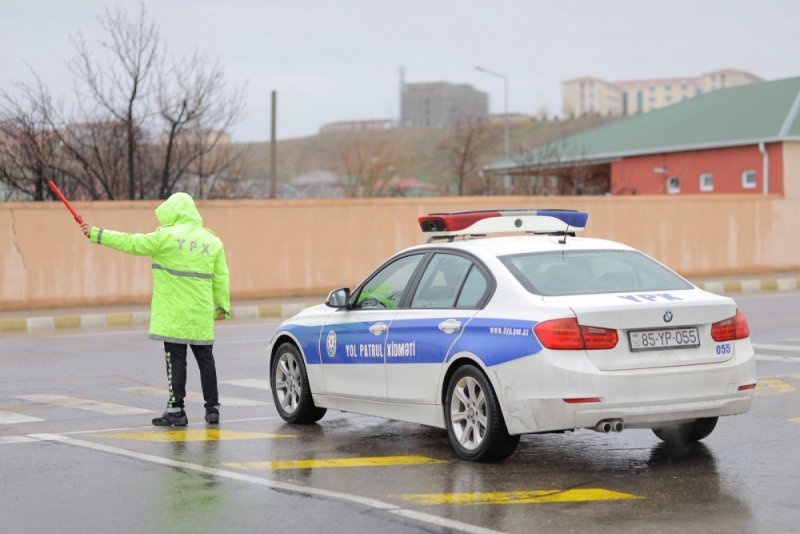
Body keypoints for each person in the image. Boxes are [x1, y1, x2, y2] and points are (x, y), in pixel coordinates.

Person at [80, 192, 230, 427]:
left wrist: (98, 234)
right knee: (206, 361)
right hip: (199, 314)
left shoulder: (166, 237)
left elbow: (132, 242)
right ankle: (213, 410)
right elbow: (221, 277)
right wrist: (222, 306)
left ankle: (176, 411)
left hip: (173, 315)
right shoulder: (212, 241)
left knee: (176, 361)